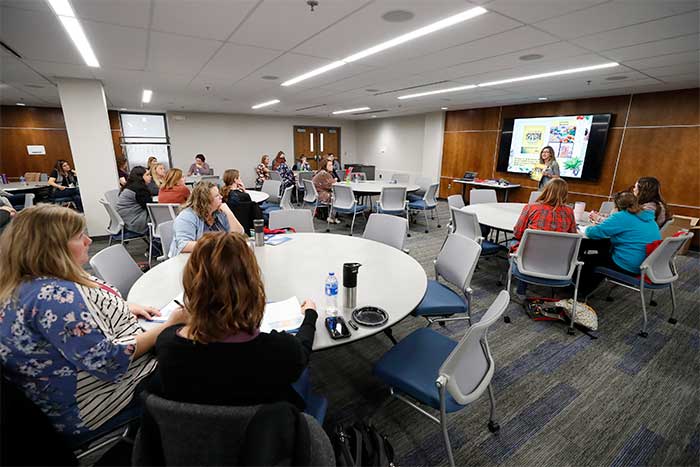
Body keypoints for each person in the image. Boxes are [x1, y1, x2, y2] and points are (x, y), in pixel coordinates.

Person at [0, 204, 187, 447]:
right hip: (89, 406)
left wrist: (123, 307)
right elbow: (108, 361)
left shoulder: (24, 284)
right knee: (193, 363)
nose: (89, 240)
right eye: (79, 237)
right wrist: (167, 327)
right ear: (52, 248)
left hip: (50, 400)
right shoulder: (55, 298)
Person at [155, 232, 319, 413]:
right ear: (251, 285)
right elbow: (301, 351)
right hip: (266, 438)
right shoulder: (279, 351)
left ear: (192, 285)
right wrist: (310, 315)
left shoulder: (168, 347)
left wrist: (177, 322)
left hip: (193, 438)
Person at [579, 191, 661, 296]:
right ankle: (587, 288)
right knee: (602, 248)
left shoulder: (622, 216)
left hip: (627, 265)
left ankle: (579, 291)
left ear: (617, 206)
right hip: (645, 265)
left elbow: (593, 233)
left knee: (587, 259)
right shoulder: (648, 217)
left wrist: (587, 228)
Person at [511, 179, 577, 295]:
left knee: (515, 242)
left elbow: (518, 233)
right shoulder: (569, 212)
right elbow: (573, 237)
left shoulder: (531, 208)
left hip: (530, 258)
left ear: (545, 191)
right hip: (557, 261)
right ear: (565, 194)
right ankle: (558, 295)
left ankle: (521, 291)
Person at [170, 181, 244, 257]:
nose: (221, 197)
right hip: (192, 260)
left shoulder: (219, 212)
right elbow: (184, 245)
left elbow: (239, 234)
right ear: (205, 201)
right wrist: (216, 245)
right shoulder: (187, 216)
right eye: (217, 196)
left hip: (215, 258)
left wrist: (229, 213)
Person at [221, 169, 263, 234]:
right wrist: (244, 191)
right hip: (245, 226)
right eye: (239, 177)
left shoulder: (222, 194)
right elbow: (252, 210)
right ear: (235, 179)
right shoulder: (244, 196)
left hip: (227, 227)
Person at [116, 166, 152, 235]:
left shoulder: (130, 186)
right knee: (161, 217)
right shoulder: (140, 189)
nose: (150, 176)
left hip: (126, 219)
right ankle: (158, 242)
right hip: (133, 221)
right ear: (140, 177)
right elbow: (150, 207)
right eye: (147, 175)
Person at [312, 159, 340, 224]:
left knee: (334, 194)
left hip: (316, 194)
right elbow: (333, 185)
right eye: (330, 165)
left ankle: (332, 215)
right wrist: (335, 180)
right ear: (325, 166)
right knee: (337, 196)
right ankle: (332, 217)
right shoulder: (324, 174)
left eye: (332, 165)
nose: (332, 166)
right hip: (321, 195)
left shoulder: (322, 172)